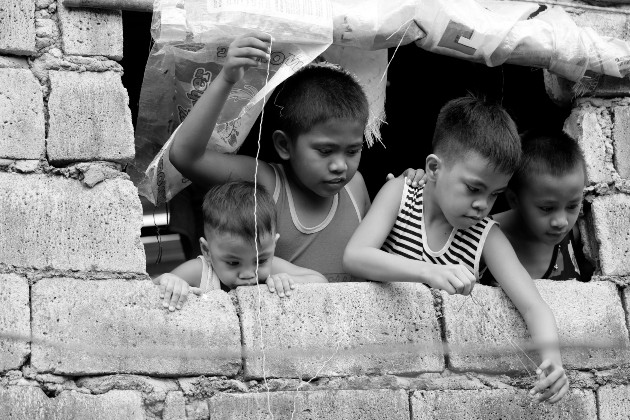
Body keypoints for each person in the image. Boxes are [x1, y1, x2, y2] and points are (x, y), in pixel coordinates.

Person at [343, 96, 569, 403]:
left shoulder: (486, 237)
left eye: (495, 195)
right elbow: (355, 256)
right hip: (372, 370)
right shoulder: (401, 194)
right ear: (434, 168)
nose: (482, 205)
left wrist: (552, 361)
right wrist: (429, 271)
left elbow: (533, 306)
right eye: (474, 189)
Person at [168, 32, 422, 281]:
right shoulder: (267, 183)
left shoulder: (356, 187)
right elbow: (185, 156)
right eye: (325, 151)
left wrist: (410, 195)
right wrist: (227, 78)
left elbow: (380, 250)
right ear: (284, 145)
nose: (340, 165)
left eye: (353, 151)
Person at [153, 181, 327, 311]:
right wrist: (169, 281)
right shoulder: (201, 272)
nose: (249, 274)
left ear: (274, 244)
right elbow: (148, 289)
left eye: (260, 261)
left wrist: (288, 280)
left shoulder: (273, 268)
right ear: (207, 251)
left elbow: (320, 281)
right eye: (233, 263)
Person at [481, 130, 593, 285]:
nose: (561, 222)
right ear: (514, 199)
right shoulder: (480, 238)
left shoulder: (575, 238)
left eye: (572, 206)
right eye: (547, 208)